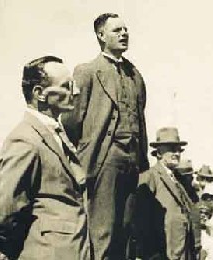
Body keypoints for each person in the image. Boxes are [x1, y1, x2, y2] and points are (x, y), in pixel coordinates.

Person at [62, 13, 149, 259]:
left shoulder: (135, 75)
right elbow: (71, 121)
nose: (124, 34)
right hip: (103, 161)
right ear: (101, 36)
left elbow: (140, 119)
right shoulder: (88, 71)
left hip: (131, 163)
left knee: (125, 230)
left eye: (125, 29)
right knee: (103, 232)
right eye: (116, 30)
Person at [0, 56, 89, 259]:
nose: (75, 92)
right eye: (66, 86)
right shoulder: (25, 139)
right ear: (39, 93)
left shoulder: (56, 134)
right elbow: (5, 209)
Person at [135, 127, 196, 259]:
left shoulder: (180, 180)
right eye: (172, 149)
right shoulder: (149, 177)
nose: (177, 154)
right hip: (163, 253)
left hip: (182, 252)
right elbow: (142, 221)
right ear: (159, 153)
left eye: (179, 150)